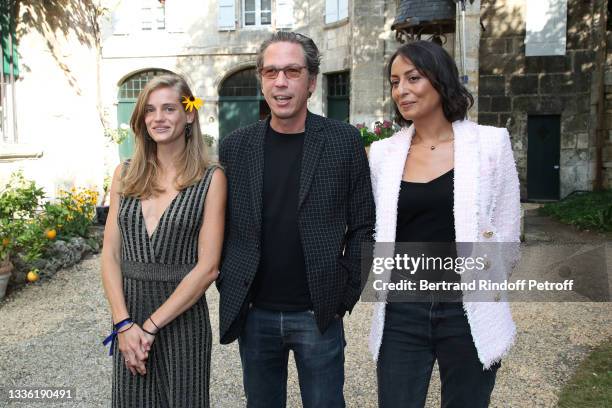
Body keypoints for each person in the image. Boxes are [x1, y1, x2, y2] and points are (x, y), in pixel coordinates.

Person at [218, 31, 375, 408]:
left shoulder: (343, 141)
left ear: (312, 81)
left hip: (318, 312)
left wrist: (345, 293)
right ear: (261, 79)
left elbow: (364, 226)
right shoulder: (236, 147)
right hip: (254, 314)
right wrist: (230, 282)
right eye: (271, 72)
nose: (281, 82)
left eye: (292, 71)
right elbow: (219, 227)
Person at [368, 41, 520, 407]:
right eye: (394, 82)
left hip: (468, 309)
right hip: (401, 309)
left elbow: (508, 233)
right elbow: (378, 230)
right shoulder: (383, 155)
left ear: (440, 79)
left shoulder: (490, 144)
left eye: (413, 78)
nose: (401, 90)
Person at [101, 74, 226, 407]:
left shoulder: (210, 178)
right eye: (150, 110)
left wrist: (151, 326)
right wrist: (124, 324)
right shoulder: (124, 174)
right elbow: (111, 254)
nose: (158, 118)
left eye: (169, 108)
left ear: (189, 114)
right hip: (129, 316)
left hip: (183, 320)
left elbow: (209, 267)